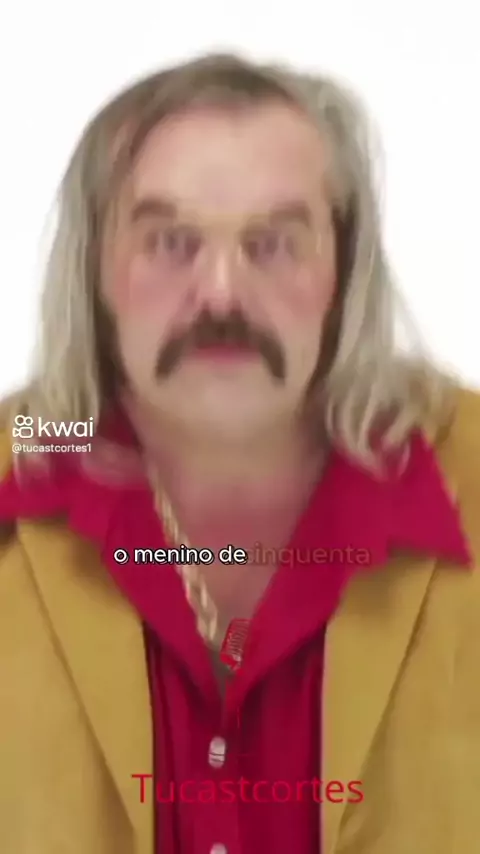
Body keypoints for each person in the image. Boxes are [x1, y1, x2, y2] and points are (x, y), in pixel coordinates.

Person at [0, 51, 478, 854]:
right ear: (95, 275)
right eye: (169, 241)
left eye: (275, 244)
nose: (221, 293)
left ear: (344, 274)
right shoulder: (30, 459)